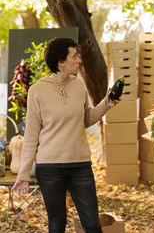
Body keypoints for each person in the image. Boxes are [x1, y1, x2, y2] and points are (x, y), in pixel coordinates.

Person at [12, 37, 119, 233]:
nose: (79, 60)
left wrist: (106, 104)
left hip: (80, 165)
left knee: (93, 224)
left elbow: (86, 119)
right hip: (49, 168)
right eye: (74, 56)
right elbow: (31, 136)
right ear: (61, 63)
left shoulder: (79, 86)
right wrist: (24, 174)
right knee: (57, 224)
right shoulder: (37, 90)